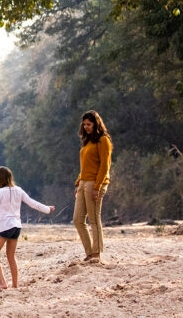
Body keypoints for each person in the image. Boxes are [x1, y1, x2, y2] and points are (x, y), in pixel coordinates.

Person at [0, 166, 54, 291]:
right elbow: (32, 203)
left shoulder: (0, 192)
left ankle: (2, 283)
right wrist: (47, 209)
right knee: (11, 256)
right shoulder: (19, 190)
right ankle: (15, 284)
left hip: (5, 226)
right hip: (16, 226)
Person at [73, 110, 113, 263]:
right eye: (84, 125)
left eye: (89, 124)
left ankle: (96, 254)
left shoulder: (103, 140)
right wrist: (78, 183)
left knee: (94, 219)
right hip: (83, 182)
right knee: (77, 219)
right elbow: (85, 167)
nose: (86, 127)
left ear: (96, 124)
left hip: (94, 183)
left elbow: (105, 165)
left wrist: (97, 187)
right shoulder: (88, 142)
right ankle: (89, 252)